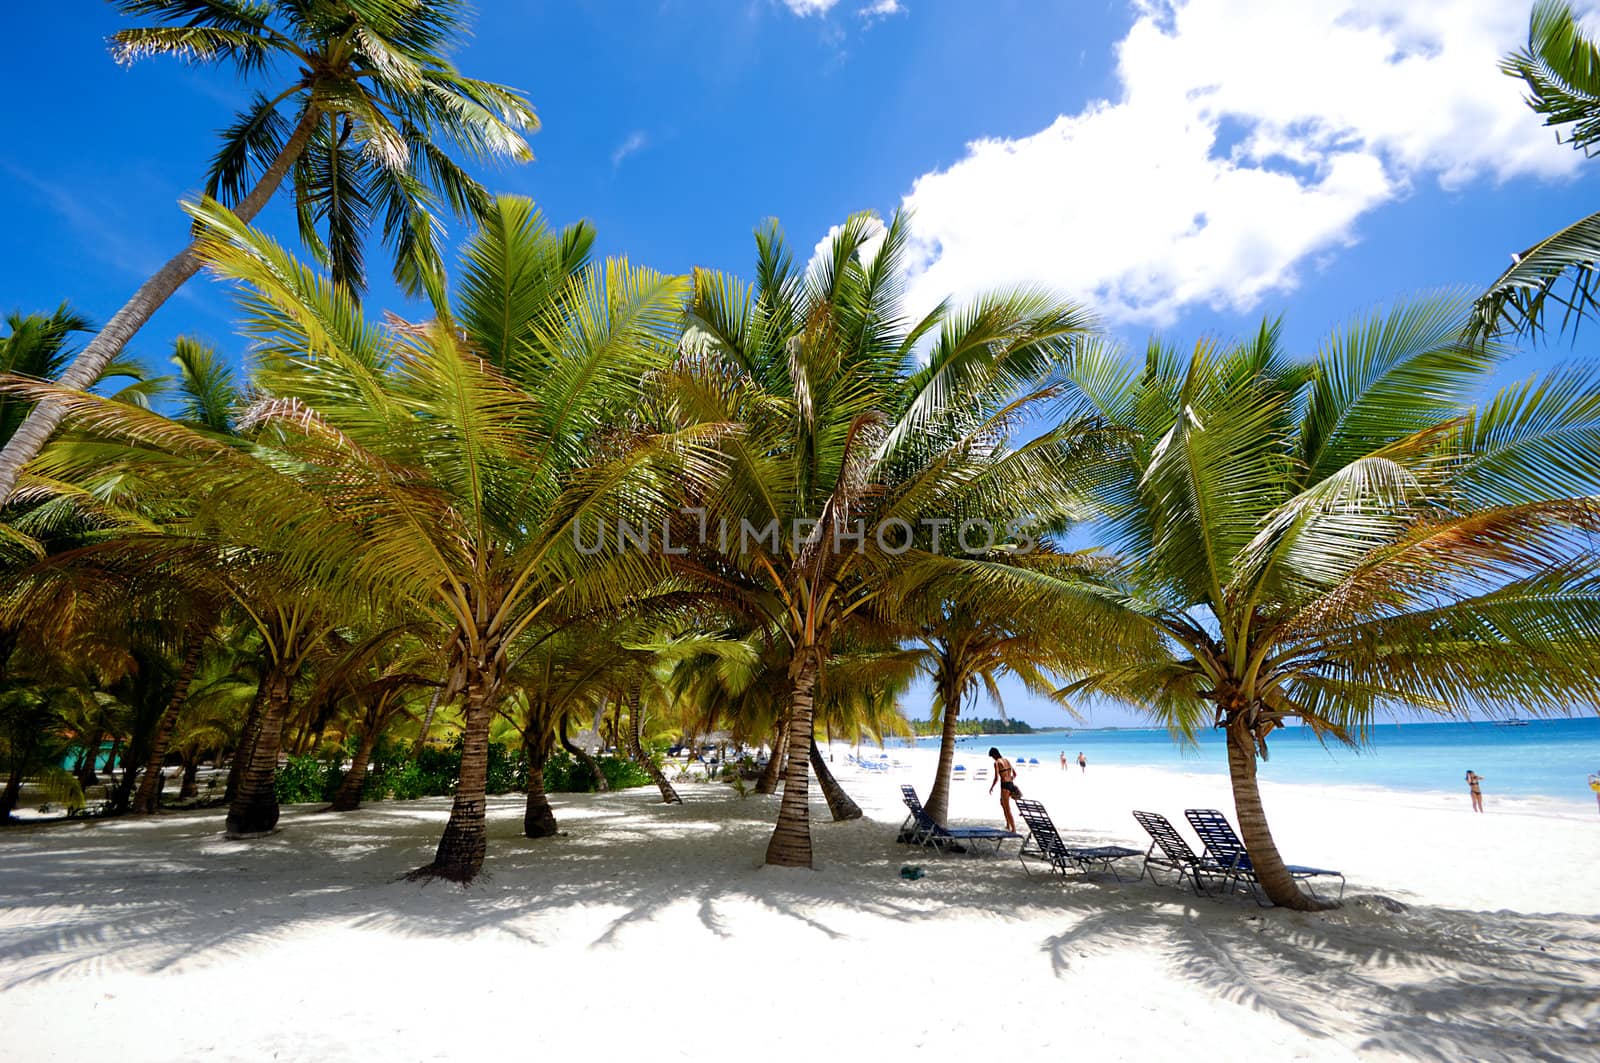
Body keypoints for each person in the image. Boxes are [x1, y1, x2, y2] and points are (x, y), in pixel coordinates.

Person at [988, 747, 1021, 832]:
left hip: (1004, 786)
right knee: (1002, 803)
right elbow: (1015, 774)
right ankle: (1007, 824)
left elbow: (996, 778)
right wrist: (1010, 779)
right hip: (1011, 785)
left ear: (995, 755)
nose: (993, 758)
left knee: (1007, 808)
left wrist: (991, 787)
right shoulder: (1007, 760)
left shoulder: (996, 763)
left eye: (992, 756)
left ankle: (1013, 829)